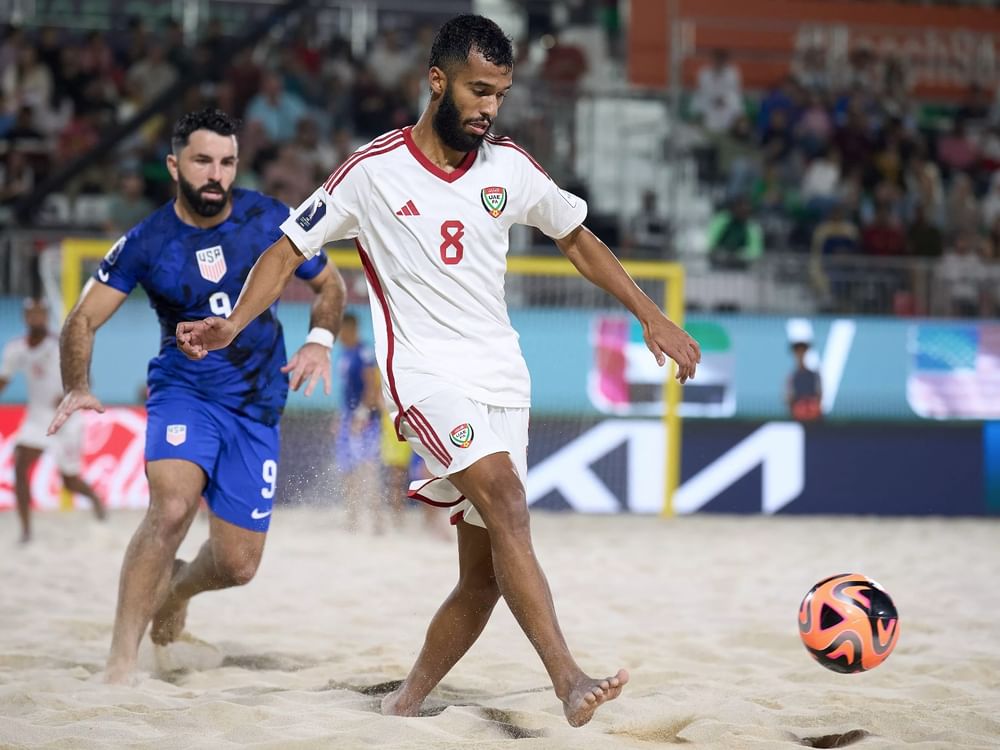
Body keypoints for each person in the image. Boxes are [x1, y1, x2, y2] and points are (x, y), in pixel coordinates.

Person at [177, 16, 700, 727]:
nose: (490, 108)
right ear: (437, 81)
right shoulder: (372, 171)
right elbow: (283, 249)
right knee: (508, 502)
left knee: (482, 579)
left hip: (502, 381)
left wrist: (649, 313)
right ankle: (568, 679)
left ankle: (405, 703)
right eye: (479, 90)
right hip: (422, 376)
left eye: (502, 95)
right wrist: (236, 322)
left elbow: (576, 238)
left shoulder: (509, 167)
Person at [47, 108, 346, 684]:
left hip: (258, 403)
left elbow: (329, 283)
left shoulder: (270, 219)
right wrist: (78, 386)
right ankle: (119, 664)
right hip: (185, 392)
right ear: (174, 165)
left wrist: (319, 342)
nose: (216, 173)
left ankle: (177, 589)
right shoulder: (147, 240)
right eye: (203, 160)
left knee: (238, 565)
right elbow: (82, 319)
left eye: (227, 162)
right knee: (172, 509)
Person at [0, 298, 106, 543]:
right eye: (31, 314)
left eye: (39, 313)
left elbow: (88, 378)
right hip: (37, 418)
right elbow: (4, 380)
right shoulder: (16, 348)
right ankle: (26, 531)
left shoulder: (60, 343)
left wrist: (70, 389)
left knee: (69, 482)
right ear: (24, 317)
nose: (35, 318)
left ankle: (96, 500)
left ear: (46, 315)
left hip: (67, 418)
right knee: (19, 465)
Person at [334, 312, 383, 533]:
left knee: (368, 470)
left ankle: (376, 523)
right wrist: (341, 417)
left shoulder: (364, 353)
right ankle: (352, 519)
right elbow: (346, 392)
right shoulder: (345, 353)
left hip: (365, 421)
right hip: (349, 418)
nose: (338, 335)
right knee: (348, 471)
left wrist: (361, 414)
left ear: (350, 329)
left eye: (340, 330)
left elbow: (372, 388)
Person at [786, 341, 822, 421]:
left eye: (802, 351)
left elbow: (819, 395)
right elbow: (788, 398)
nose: (800, 354)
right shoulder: (792, 377)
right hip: (798, 415)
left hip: (813, 415)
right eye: (798, 352)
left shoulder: (814, 375)